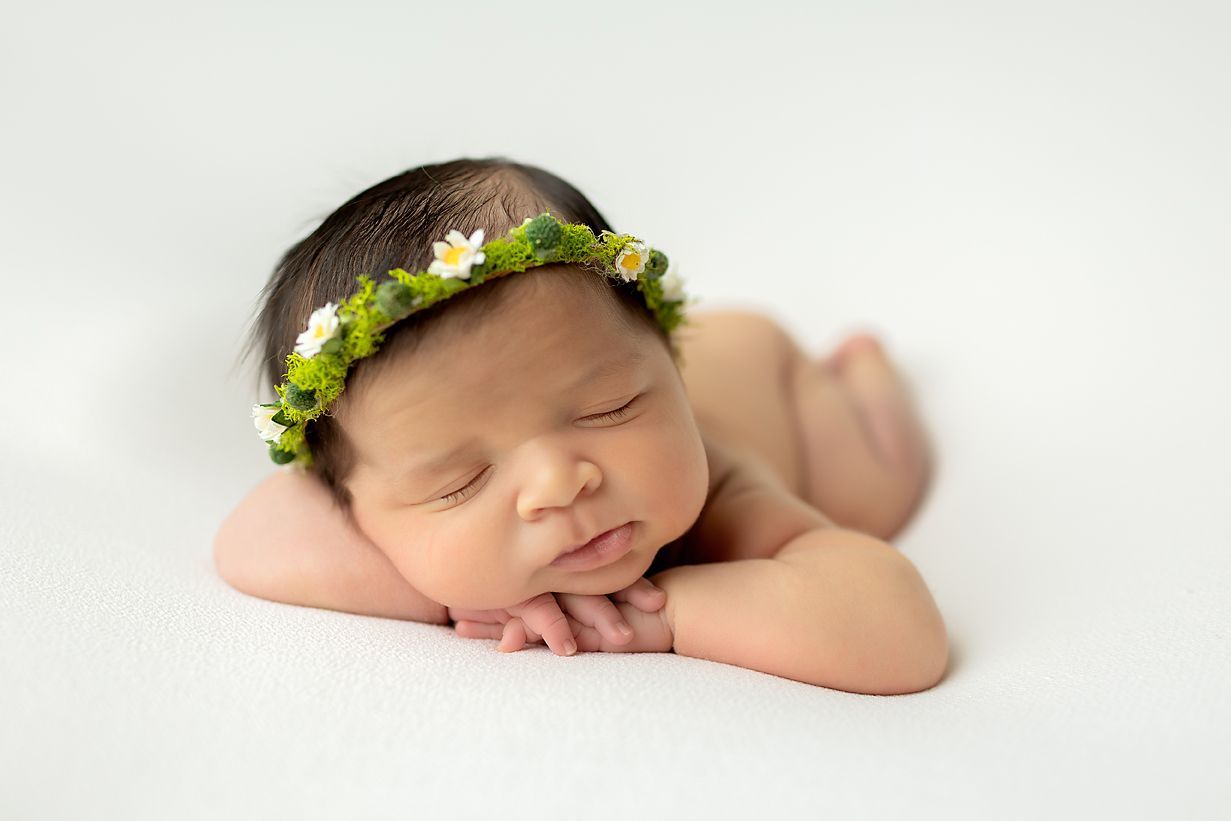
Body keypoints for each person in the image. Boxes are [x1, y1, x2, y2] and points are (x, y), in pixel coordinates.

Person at [214, 156, 948, 695]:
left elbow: (898, 631)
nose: (558, 482)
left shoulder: (725, 493)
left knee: (869, 496)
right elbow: (250, 537)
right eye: (458, 482)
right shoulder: (367, 489)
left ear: (667, 359)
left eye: (610, 409)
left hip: (766, 368)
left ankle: (865, 373)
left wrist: (660, 617)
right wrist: (462, 584)